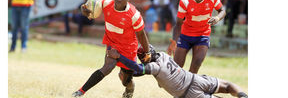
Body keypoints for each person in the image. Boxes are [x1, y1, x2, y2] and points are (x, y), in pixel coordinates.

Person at [72, 0, 152, 98]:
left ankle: (130, 89)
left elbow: (141, 34)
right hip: (112, 43)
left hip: (128, 48)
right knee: (108, 67)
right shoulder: (105, 3)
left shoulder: (134, 15)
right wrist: (84, 9)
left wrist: (147, 52)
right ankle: (80, 92)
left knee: (126, 81)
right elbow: (91, 4)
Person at [106, 45, 248, 98]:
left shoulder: (155, 67)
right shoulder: (163, 55)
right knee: (228, 86)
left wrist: (120, 59)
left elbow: (137, 70)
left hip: (189, 93)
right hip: (195, 79)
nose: (142, 60)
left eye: (141, 57)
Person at [167, 0, 226, 74]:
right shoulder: (185, 1)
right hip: (185, 35)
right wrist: (174, 42)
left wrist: (217, 18)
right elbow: (178, 24)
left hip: (202, 35)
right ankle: (169, 83)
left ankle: (189, 87)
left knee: (196, 65)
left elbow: (222, 10)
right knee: (176, 68)